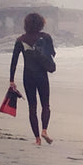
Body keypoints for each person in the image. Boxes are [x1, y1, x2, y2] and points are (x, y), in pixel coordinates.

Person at [10, 13, 55, 146]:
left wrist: (11, 80)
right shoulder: (46, 37)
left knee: (32, 107)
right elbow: (52, 53)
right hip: (42, 75)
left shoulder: (20, 40)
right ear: (41, 23)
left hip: (28, 76)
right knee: (45, 105)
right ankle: (45, 130)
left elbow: (14, 61)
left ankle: (37, 139)